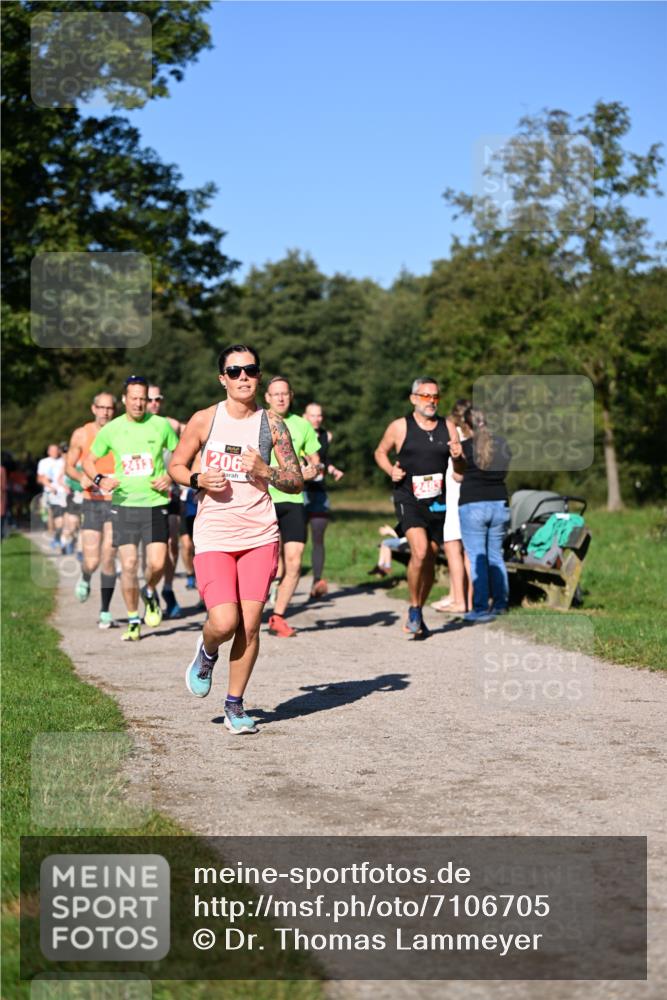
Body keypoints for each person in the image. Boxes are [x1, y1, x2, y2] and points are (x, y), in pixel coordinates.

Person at [168, 344, 303, 735]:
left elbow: (295, 480)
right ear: (222, 378)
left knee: (250, 624)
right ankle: (207, 651)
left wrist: (267, 470)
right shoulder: (204, 420)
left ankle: (234, 704)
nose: (244, 377)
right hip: (214, 534)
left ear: (259, 376)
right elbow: (176, 464)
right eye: (235, 371)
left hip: (260, 533)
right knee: (224, 622)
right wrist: (196, 479)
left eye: (251, 370)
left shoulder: (273, 424)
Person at [82, 375, 179, 641]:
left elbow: (182, 455)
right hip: (123, 505)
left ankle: (149, 590)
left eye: (143, 399)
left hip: (155, 503)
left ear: (148, 400)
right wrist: (101, 480)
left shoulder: (160, 426)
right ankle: (133, 619)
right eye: (133, 399)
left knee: (158, 563)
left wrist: (170, 476)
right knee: (129, 564)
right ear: (125, 399)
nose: (138, 404)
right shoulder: (111, 429)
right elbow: (88, 461)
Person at [374, 377, 464, 636]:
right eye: (425, 396)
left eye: (435, 396)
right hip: (408, 498)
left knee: (430, 559)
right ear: (414, 398)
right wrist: (391, 470)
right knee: (421, 551)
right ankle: (413, 608)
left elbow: (459, 473)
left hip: (437, 502)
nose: (431, 401)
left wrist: (458, 458)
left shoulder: (448, 427)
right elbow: (380, 452)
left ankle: (418, 610)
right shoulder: (400, 427)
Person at [264, 377, 322, 637]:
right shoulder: (258, 422)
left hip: (293, 500)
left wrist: (311, 472)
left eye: (284, 394)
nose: (280, 398)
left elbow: (316, 463)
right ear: (267, 397)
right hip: (263, 500)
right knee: (267, 563)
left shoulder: (303, 425)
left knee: (295, 562)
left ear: (291, 396)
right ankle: (249, 608)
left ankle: (278, 617)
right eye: (275, 394)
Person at [65, 392, 118, 627]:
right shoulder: (82, 433)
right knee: (92, 560)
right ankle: (85, 575)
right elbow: (68, 467)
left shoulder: (121, 431)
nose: (106, 412)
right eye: (102, 407)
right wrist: (82, 478)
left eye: (110, 408)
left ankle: (105, 610)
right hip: (92, 501)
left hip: (115, 501)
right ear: (93, 409)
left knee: (109, 556)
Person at [454, 407, 512, 623]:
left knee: (477, 557)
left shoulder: (465, 447)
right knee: (496, 556)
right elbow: (503, 472)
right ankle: (500, 605)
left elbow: (458, 474)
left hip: (472, 504)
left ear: (466, 425)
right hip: (500, 503)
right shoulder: (503, 444)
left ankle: (479, 608)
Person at [432, 398, 473, 615]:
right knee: (467, 550)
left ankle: (459, 600)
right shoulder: (474, 436)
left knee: (452, 547)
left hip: (452, 495)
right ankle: (466, 598)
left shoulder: (451, 434)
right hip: (470, 495)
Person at [146, 385, 185, 618]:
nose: (153, 403)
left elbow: (195, 438)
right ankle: (150, 590)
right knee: (152, 551)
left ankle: (168, 590)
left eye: (157, 399)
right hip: (143, 495)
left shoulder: (172, 425)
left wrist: (171, 477)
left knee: (172, 543)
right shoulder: (134, 426)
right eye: (149, 399)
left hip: (169, 492)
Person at [302, 402, 344, 599]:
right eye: (313, 415)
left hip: (319, 492)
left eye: (319, 416)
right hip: (298, 492)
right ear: (304, 417)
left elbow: (323, 460)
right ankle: (280, 579)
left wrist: (333, 469)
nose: (317, 419)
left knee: (318, 537)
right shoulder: (297, 432)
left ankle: (317, 581)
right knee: (294, 541)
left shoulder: (327, 436)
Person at [36, 444, 72, 552]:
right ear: (48, 452)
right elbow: (40, 478)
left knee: (67, 518)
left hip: (66, 493)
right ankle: (57, 537)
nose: (55, 452)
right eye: (52, 450)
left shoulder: (64, 461)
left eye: (57, 450)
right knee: (54, 518)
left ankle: (65, 540)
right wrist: (50, 486)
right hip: (52, 493)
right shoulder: (44, 462)